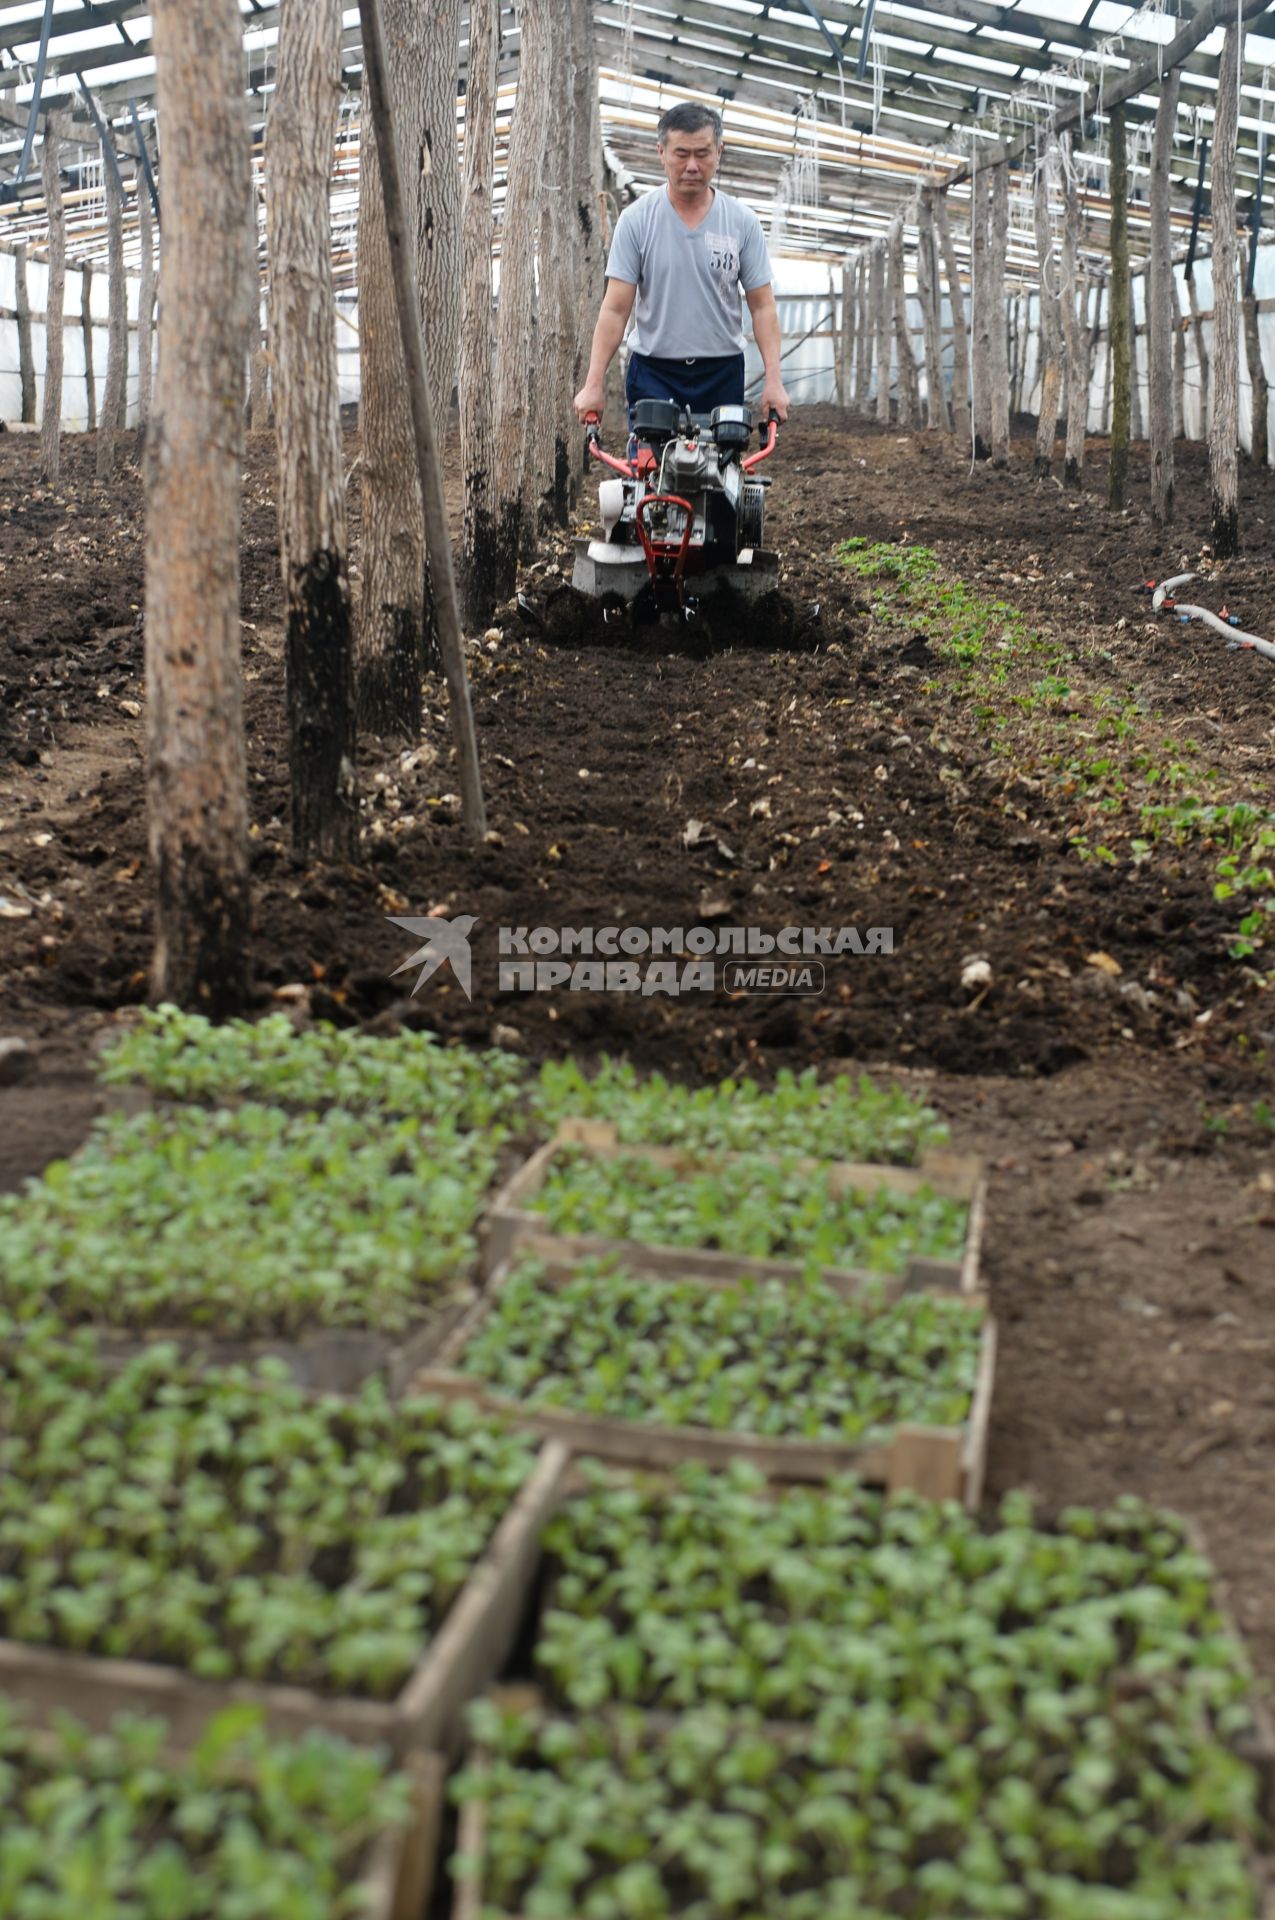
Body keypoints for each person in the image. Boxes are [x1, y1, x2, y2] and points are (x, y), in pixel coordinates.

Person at [572, 102, 791, 432]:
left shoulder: (741, 222)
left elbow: (762, 306)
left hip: (721, 372)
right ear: (662, 153)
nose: (692, 165)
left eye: (702, 154)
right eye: (681, 153)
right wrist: (593, 384)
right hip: (654, 374)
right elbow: (616, 309)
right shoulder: (637, 221)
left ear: (719, 152)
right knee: (652, 473)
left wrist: (774, 381)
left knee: (721, 472)